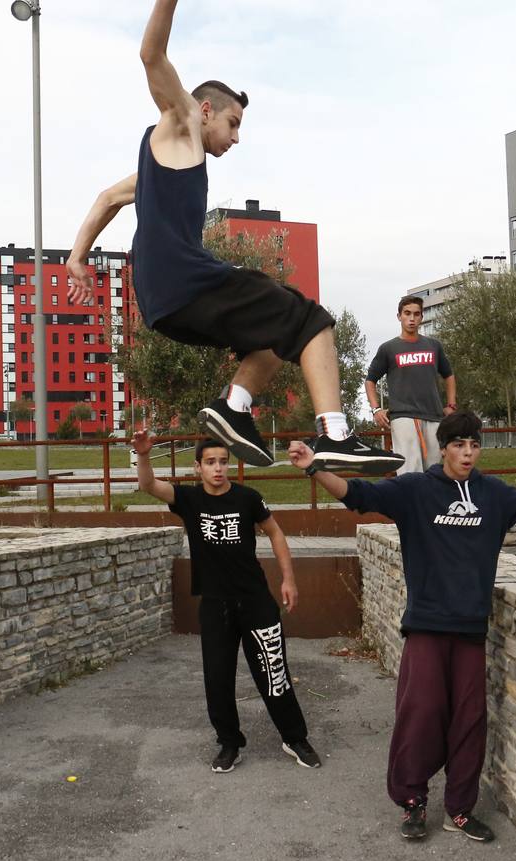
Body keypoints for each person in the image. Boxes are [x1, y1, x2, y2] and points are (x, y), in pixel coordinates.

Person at [64, 0, 403, 476]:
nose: (236, 138)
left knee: (278, 334)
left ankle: (233, 409)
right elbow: (150, 55)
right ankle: (335, 434)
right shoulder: (181, 124)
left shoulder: (154, 168)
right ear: (205, 111)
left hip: (164, 304)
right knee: (314, 321)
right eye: (233, 124)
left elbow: (106, 198)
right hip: (187, 281)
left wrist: (77, 257)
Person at [286, 412, 516, 843]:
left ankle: (459, 809)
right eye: (459, 445)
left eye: (474, 446)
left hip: (471, 628)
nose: (467, 453)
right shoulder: (416, 490)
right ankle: (412, 801)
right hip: (426, 625)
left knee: (469, 720)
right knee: (420, 716)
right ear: (444, 448)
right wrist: (314, 465)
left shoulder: (492, 493)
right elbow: (357, 494)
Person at [134, 430, 320, 773]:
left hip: (255, 601)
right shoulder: (189, 500)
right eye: (210, 463)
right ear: (198, 468)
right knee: (217, 678)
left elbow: (276, 533)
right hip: (215, 604)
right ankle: (229, 743)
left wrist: (289, 579)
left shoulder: (248, 498)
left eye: (223, 462)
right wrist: (144, 456)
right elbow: (149, 486)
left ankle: (294, 737)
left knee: (273, 671)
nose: (218, 469)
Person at [364, 295, 456, 475]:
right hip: (403, 416)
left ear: (422, 317)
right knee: (409, 471)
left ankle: (429, 504)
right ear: (399, 316)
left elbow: (449, 375)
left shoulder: (433, 346)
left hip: (434, 416)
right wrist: (376, 409)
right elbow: (370, 380)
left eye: (416, 314)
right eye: (407, 313)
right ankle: (408, 503)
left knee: (434, 471)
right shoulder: (388, 348)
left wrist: (451, 405)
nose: (412, 318)